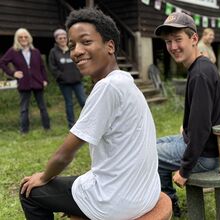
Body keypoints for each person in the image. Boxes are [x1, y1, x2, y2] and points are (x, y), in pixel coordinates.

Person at [19, 8, 160, 220]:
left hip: (118, 201)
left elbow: (63, 156)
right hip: (145, 191)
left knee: (29, 193)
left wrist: (44, 177)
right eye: (72, 45)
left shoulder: (107, 87)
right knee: (75, 181)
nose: (76, 51)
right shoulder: (124, 80)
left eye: (86, 42)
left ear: (109, 46)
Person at [154, 12, 220, 217]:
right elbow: (202, 119)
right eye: (168, 42)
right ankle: (165, 199)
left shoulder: (200, 74)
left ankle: (169, 204)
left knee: (151, 155)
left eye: (178, 40)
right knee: (151, 145)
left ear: (194, 39)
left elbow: (202, 128)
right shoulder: (199, 67)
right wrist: (187, 129)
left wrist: (185, 170)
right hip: (200, 144)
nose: (173, 46)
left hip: (206, 155)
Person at [0, 28, 50, 133]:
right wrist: (13, 73)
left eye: (25, 36)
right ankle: (24, 131)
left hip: (37, 82)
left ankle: (47, 128)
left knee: (42, 107)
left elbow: (42, 67)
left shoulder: (36, 52)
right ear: (17, 39)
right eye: (20, 37)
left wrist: (45, 79)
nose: (23, 39)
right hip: (24, 83)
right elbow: (2, 62)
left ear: (29, 38)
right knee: (24, 109)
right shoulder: (13, 51)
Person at [48, 28, 86, 128]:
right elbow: (52, 67)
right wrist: (61, 76)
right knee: (69, 104)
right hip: (64, 83)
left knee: (84, 101)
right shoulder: (53, 52)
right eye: (60, 38)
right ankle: (72, 125)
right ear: (56, 39)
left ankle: (88, 122)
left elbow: (80, 61)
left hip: (77, 81)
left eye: (64, 37)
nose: (63, 39)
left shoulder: (73, 49)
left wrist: (80, 74)